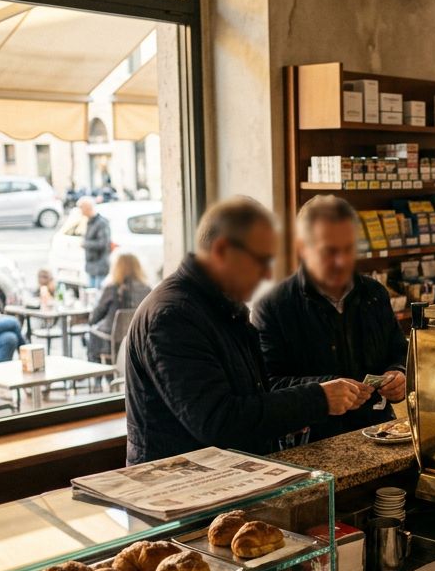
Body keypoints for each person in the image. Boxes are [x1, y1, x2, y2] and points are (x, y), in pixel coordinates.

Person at [123, 196, 373, 465]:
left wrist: (303, 407)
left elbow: (254, 395)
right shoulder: (173, 317)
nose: (267, 275)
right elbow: (219, 421)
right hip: (179, 492)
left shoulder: (222, 306)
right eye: (261, 261)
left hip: (225, 478)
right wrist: (318, 399)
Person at [252, 196, 407, 442]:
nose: (342, 261)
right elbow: (267, 385)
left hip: (378, 434)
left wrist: (399, 375)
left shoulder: (374, 294)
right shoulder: (273, 306)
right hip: (312, 443)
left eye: (348, 249)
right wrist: (323, 392)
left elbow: (400, 352)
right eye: (329, 251)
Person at [88, 252, 151, 363]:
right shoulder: (147, 290)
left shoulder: (112, 288)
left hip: (111, 341)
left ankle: (99, 377)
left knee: (91, 335)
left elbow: (95, 317)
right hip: (138, 342)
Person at [79, 197, 111, 288]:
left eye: (81, 208)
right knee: (92, 294)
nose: (80, 211)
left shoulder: (101, 223)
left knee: (97, 294)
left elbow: (103, 243)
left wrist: (85, 244)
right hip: (92, 266)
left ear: (87, 208)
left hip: (99, 267)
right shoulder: (90, 222)